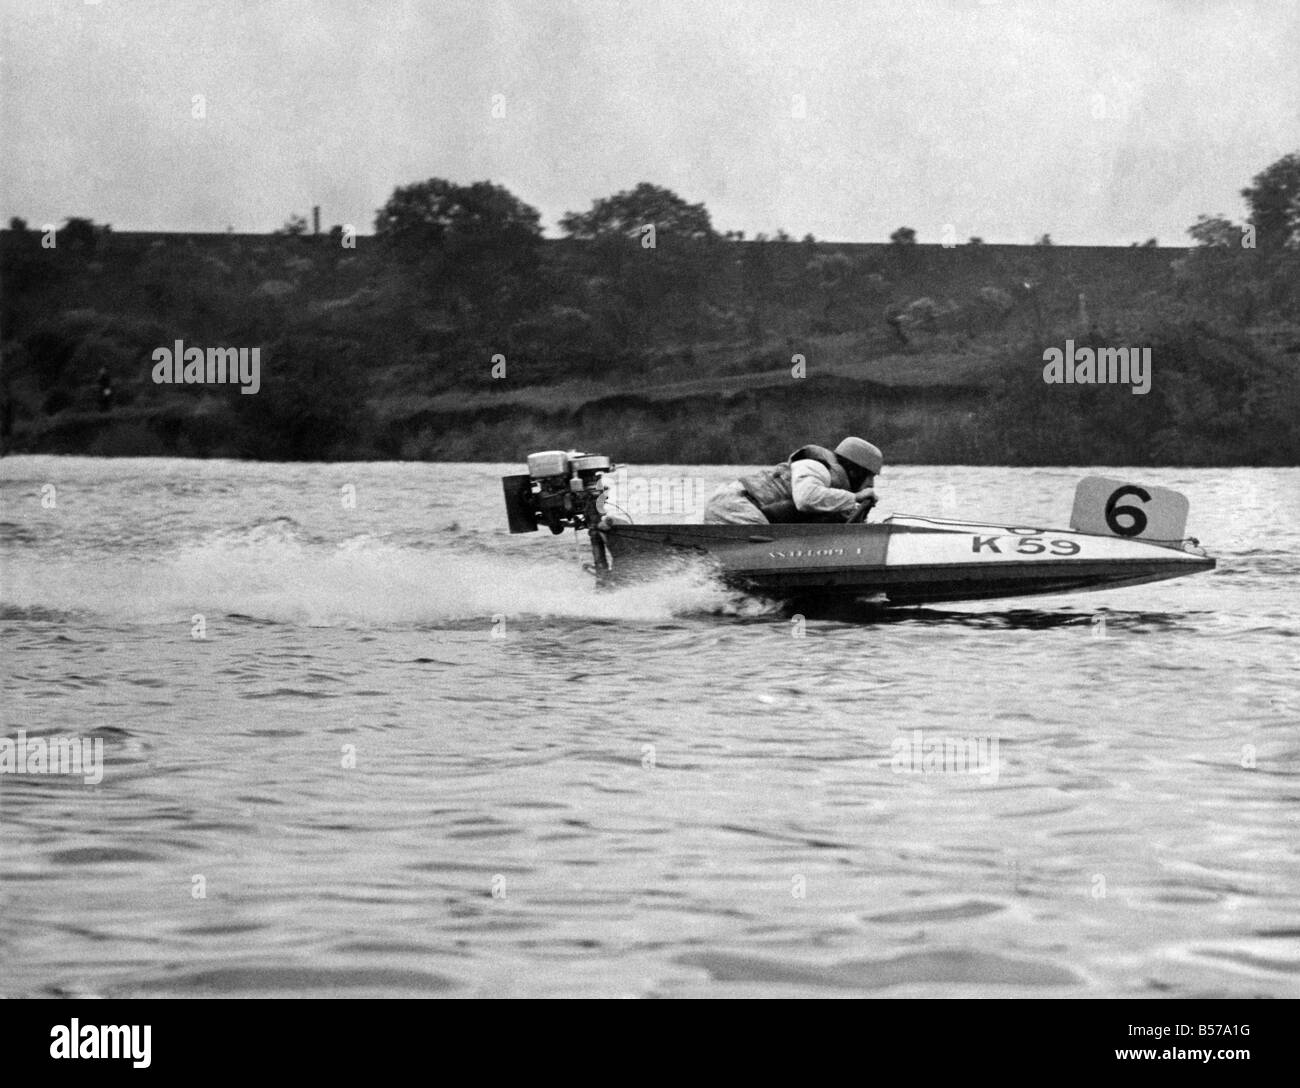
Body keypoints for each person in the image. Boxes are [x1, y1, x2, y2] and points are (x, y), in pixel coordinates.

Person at [702, 437, 883, 525]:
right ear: (855, 471)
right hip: (737, 505)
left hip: (741, 508)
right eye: (869, 477)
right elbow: (807, 499)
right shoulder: (816, 466)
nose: (871, 485)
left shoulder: (833, 492)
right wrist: (856, 497)